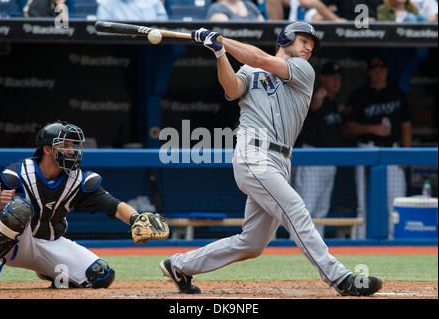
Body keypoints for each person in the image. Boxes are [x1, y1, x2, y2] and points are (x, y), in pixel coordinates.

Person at [159, 22, 383, 296]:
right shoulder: (249, 70)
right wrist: (218, 53)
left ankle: (180, 265)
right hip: (253, 154)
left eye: (312, 44)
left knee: (252, 243)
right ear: (285, 37)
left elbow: (260, 58)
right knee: (296, 209)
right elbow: (231, 89)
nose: (309, 47)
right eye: (303, 40)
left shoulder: (303, 70)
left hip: (280, 160)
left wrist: (221, 40)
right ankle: (341, 278)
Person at [0, 121, 163, 287]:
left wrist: (136, 219)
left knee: (101, 275)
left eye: (73, 145)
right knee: (19, 208)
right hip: (17, 244)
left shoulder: (78, 180)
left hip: (51, 243)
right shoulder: (16, 173)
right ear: (47, 149)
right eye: (64, 146)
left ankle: (51, 271)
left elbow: (113, 205)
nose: (71, 151)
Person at [343, 57, 413, 239]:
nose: (378, 73)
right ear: (368, 72)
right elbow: (348, 126)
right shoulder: (359, 95)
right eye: (374, 69)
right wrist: (372, 128)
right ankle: (362, 241)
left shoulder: (397, 94)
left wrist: (406, 153)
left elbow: (406, 125)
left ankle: (395, 242)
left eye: (381, 69)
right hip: (367, 150)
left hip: (393, 151)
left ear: (387, 71)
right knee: (364, 201)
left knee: (396, 200)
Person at [293, 61, 347, 238]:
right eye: (332, 77)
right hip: (313, 158)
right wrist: (314, 103)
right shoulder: (312, 98)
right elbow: (300, 123)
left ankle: (318, 250)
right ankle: (297, 248)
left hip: (330, 159)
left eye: (338, 78)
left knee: (322, 209)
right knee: (306, 208)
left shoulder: (333, 102)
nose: (336, 81)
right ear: (323, 78)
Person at [265, 0, 345, 21]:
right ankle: (276, 31)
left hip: (316, 14)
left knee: (317, 17)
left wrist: (314, 4)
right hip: (289, 26)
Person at [96, 0, 168, 21]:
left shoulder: (154, 2)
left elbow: (163, 27)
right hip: (118, 47)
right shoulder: (106, 4)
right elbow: (102, 30)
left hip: (152, 47)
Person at [318, 0, 383, 21]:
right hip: (346, 32)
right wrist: (336, 19)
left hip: (377, 33)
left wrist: (377, 22)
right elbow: (314, 2)